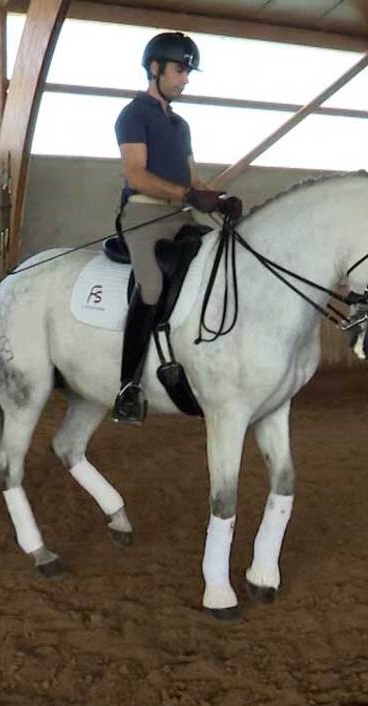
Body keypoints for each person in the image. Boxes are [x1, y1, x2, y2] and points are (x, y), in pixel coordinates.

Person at [111, 31, 244, 424]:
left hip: (180, 215)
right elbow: (136, 175)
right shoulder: (133, 115)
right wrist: (189, 194)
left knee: (220, 260)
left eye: (188, 71)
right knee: (151, 286)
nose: (185, 78)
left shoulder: (181, 124)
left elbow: (194, 183)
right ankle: (128, 387)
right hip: (143, 215)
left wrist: (218, 200)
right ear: (155, 69)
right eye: (180, 70)